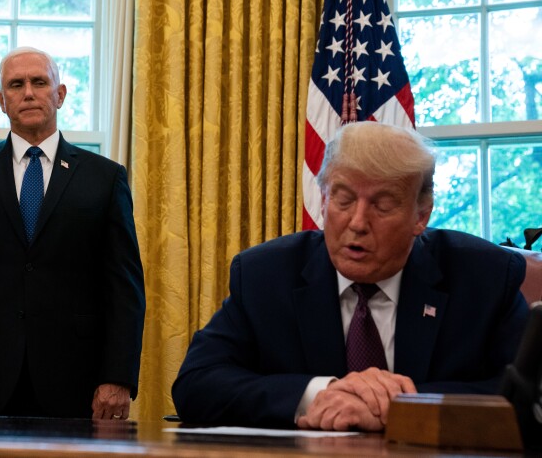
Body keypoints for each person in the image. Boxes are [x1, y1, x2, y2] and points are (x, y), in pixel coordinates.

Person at [172, 121, 528, 431]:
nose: (357, 223)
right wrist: (318, 395)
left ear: (421, 215)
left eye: (383, 205)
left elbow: (530, 393)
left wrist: (403, 404)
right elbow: (196, 383)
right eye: (343, 200)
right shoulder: (266, 276)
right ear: (324, 201)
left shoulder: (485, 278)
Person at [0, 47, 145, 420]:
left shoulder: (105, 178)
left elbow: (124, 287)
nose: (28, 92)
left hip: (78, 380)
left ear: (60, 94)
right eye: (16, 84)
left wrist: (118, 377)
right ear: (1, 100)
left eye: (40, 82)